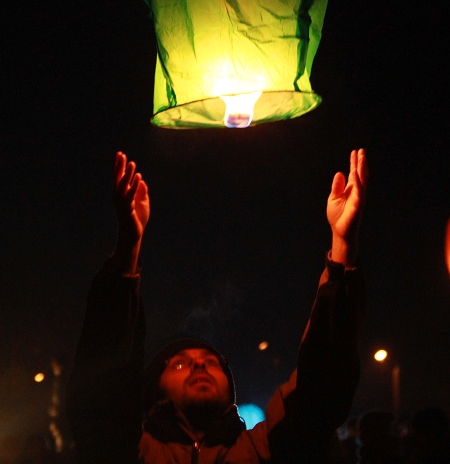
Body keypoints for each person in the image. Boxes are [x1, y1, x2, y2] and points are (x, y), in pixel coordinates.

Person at [66, 149, 369, 463]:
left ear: (230, 386)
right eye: (180, 364)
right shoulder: (133, 451)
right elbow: (100, 383)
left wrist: (343, 246)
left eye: (211, 363)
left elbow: (320, 386)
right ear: (155, 388)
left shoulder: (264, 448)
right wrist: (128, 247)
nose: (199, 366)